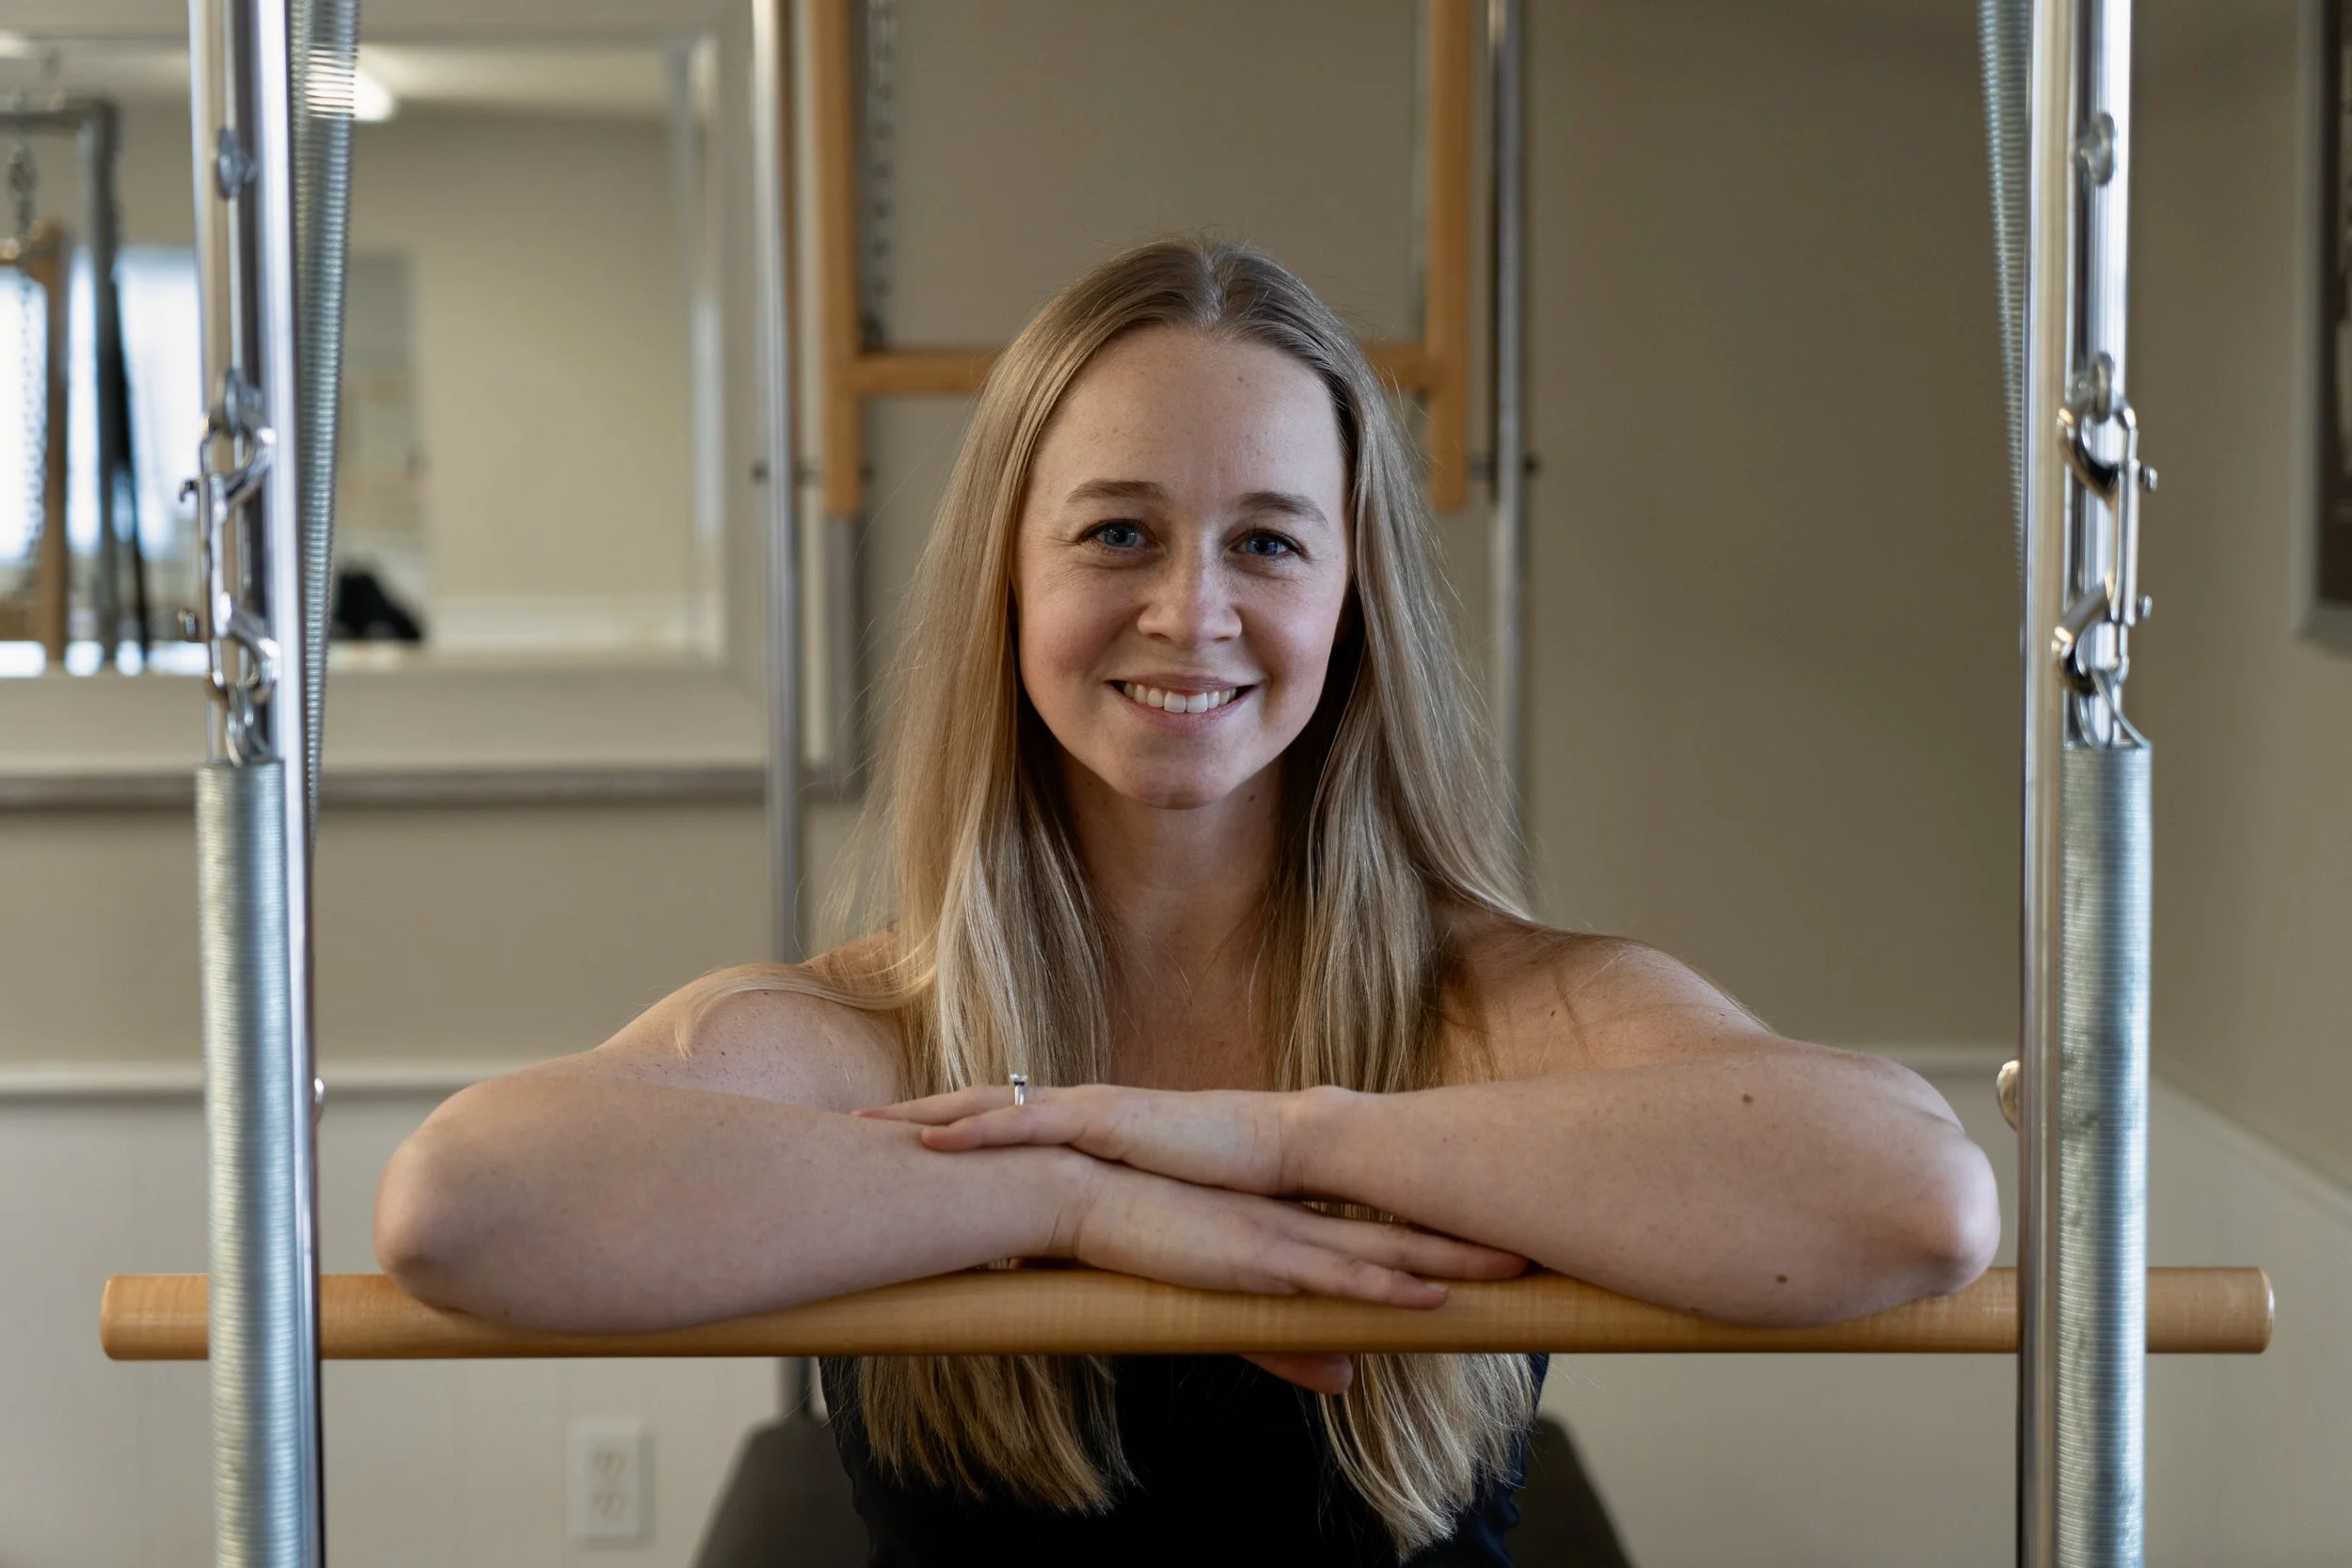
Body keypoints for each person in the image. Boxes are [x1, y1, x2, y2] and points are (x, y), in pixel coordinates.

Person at [373, 238, 2000, 1565]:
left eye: (1269, 543)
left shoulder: (1496, 1012)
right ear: (1010, 577)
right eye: (1118, 532)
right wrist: (1067, 1196)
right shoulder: (869, 1034)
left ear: (1352, 598)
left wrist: (1285, 1140)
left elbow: (1918, 1198)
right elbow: (465, 1203)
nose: (1190, 609)